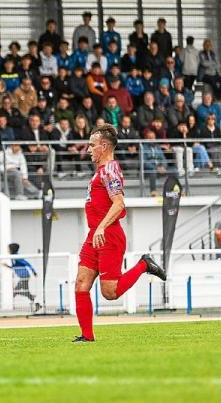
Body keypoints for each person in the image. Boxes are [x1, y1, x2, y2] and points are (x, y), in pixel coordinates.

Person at [73, 125, 166, 343]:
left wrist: (102, 227)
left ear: (103, 147)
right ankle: (87, 337)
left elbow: (119, 204)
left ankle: (144, 265)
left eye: (92, 145)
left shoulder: (110, 170)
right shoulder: (101, 171)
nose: (88, 150)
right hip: (94, 235)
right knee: (81, 283)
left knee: (110, 292)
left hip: (109, 235)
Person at [3, 243, 40, 311]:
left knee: (16, 291)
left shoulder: (17, 257)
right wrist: (7, 266)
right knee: (24, 291)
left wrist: (34, 272)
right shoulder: (13, 257)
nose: (8, 250)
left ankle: (8, 306)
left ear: (12, 250)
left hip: (24, 276)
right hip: (22, 276)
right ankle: (36, 303)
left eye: (8, 249)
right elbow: (15, 267)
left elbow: (27, 263)